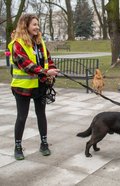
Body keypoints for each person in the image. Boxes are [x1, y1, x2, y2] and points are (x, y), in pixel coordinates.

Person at [9, 14, 60, 160]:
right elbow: (25, 65)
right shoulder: (17, 44)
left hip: (40, 86)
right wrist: (45, 72)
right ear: (25, 26)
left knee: (41, 114)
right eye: (34, 24)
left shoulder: (40, 42)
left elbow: (48, 59)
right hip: (22, 87)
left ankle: (44, 143)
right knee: (21, 117)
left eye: (38, 24)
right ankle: (17, 146)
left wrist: (52, 70)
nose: (37, 27)